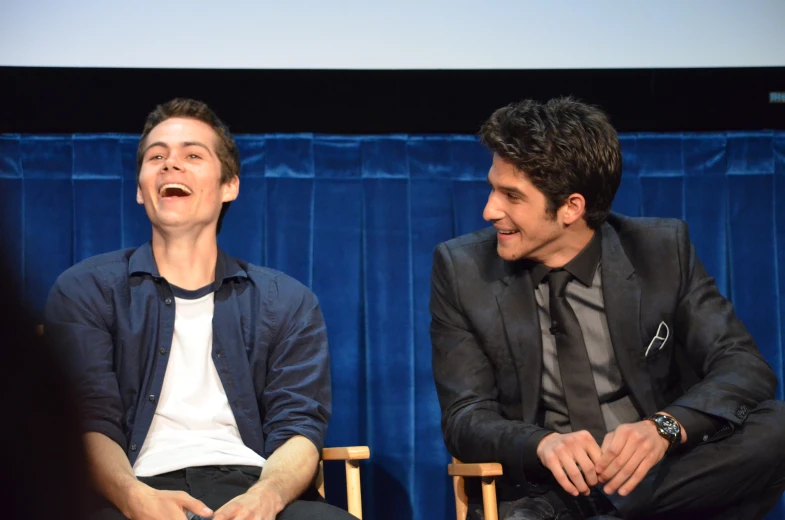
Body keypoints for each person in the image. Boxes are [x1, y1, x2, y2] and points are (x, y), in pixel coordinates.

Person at [430, 97, 785, 520]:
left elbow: (743, 366)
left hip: (658, 476)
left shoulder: (660, 251)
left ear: (571, 208)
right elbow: (465, 417)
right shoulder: (463, 269)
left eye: (511, 196)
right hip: (548, 490)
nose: (490, 210)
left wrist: (664, 428)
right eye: (493, 188)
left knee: (777, 427)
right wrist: (542, 444)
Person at [45, 98, 354, 520]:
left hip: (248, 485)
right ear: (140, 188)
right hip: (131, 487)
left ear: (230, 185)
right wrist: (135, 499)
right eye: (157, 156)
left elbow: (299, 428)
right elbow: (88, 421)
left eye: (192, 155)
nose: (171, 164)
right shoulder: (86, 289)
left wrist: (265, 498)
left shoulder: (286, 301)